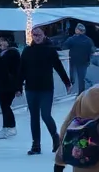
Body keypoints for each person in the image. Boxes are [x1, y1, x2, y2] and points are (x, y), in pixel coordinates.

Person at [20, 26, 72, 155]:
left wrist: (67, 82)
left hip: (46, 88)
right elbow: (21, 70)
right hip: (31, 88)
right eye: (34, 35)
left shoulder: (50, 50)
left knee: (45, 115)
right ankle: (35, 144)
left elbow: (58, 67)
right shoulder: (27, 51)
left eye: (38, 34)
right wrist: (18, 86)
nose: (36, 37)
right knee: (34, 117)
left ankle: (55, 137)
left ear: (44, 35)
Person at [0, 35, 22, 139]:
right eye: (0, 41)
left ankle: (10, 126)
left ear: (8, 42)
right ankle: (7, 126)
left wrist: (18, 88)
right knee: (4, 106)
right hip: (0, 85)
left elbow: (18, 71)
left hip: (10, 85)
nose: (1, 43)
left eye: (3, 41)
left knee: (6, 106)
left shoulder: (14, 53)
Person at [62, 24, 97, 95]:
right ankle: (81, 93)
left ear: (77, 30)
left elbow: (64, 47)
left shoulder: (72, 39)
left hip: (73, 61)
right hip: (84, 61)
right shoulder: (88, 40)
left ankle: (69, 92)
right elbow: (93, 49)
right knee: (82, 79)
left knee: (71, 77)